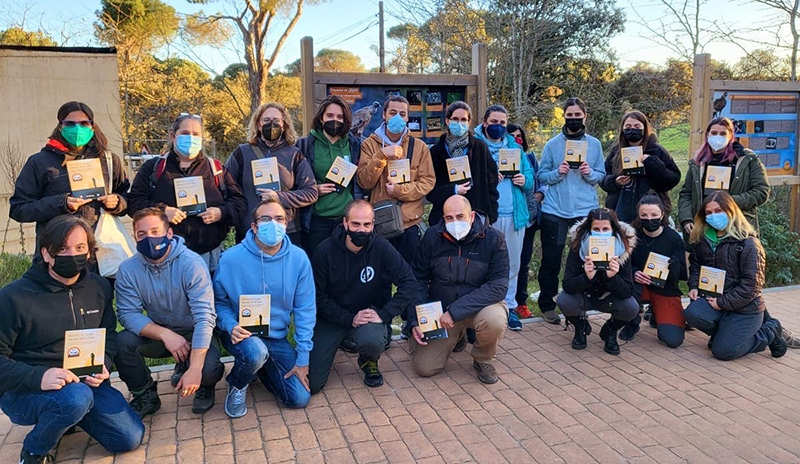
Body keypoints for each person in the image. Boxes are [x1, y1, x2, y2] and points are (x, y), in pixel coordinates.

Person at [0, 216, 144, 464]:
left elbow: (108, 333)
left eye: (79, 248)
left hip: (86, 382)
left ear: (89, 252)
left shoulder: (98, 287)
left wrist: (105, 363)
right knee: (74, 399)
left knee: (129, 438)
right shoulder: (13, 298)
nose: (72, 255)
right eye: (63, 249)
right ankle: (34, 450)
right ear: (46, 254)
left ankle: (68, 415)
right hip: (26, 390)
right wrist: (39, 377)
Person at [115, 207, 223, 417]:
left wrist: (195, 369)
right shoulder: (128, 269)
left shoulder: (191, 263)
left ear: (170, 233)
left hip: (194, 331)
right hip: (161, 333)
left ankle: (202, 382)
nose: (150, 238)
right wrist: (165, 334)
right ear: (134, 237)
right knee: (122, 343)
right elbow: (127, 314)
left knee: (207, 370)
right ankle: (145, 394)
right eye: (142, 234)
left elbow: (204, 317)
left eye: (156, 231)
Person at [214, 199, 315, 418]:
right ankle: (237, 383)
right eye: (265, 219)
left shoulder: (299, 259)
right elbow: (218, 303)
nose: (273, 224)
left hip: (276, 336)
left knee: (299, 399)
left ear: (286, 224)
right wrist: (230, 325)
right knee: (255, 352)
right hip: (241, 334)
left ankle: (259, 368)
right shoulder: (230, 259)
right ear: (254, 226)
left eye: (279, 219)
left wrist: (303, 358)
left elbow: (305, 309)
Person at [308, 200, 417, 392]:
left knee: (372, 341)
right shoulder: (324, 251)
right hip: (332, 317)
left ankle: (368, 361)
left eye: (367, 224)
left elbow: (409, 283)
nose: (361, 230)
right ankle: (338, 341)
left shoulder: (382, 248)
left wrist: (384, 314)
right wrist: (349, 319)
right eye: (356, 224)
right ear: (345, 223)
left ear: (373, 224)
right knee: (314, 384)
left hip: (367, 315)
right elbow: (318, 297)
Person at [127, 113, 246, 274]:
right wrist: (161, 212)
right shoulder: (153, 168)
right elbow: (134, 202)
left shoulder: (216, 169)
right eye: (185, 133)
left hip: (209, 256)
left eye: (196, 134)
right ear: (172, 135)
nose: (190, 138)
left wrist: (221, 212)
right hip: (165, 256)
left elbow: (239, 203)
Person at [410, 196, 509, 384]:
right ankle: (458, 336)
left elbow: (498, 286)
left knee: (495, 319)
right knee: (425, 367)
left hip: (477, 308)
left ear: (471, 216)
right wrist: (416, 318)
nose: (455, 222)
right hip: (442, 311)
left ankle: (483, 358)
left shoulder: (494, 239)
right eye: (449, 218)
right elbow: (418, 280)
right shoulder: (432, 237)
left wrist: (455, 312)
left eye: (460, 216)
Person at [10, 101, 130, 254]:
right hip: (56, 253)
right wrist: (62, 203)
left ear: (92, 126)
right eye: (70, 124)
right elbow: (19, 209)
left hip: (99, 254)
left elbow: (127, 198)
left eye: (84, 123)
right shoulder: (39, 162)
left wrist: (117, 202)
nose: (78, 128)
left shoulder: (109, 160)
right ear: (60, 127)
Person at [683, 191, 787, 360]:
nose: (713, 216)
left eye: (718, 211)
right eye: (708, 213)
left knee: (723, 352)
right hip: (715, 299)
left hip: (745, 308)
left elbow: (752, 285)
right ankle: (725, 335)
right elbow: (696, 264)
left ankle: (770, 330)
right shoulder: (702, 239)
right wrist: (694, 285)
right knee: (692, 313)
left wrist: (722, 303)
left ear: (731, 211)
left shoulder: (748, 243)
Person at [537, 97, 605, 324]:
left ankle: (582, 303)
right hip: (555, 210)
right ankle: (547, 304)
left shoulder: (594, 144)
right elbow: (541, 175)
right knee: (551, 260)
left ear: (585, 117)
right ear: (564, 116)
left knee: (584, 259)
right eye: (570, 115)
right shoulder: (552, 145)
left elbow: (601, 176)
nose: (574, 119)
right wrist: (558, 172)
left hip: (585, 211)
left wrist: (589, 173)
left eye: (578, 116)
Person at [473, 105, 534, 332]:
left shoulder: (514, 146)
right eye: (494, 121)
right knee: (485, 263)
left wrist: (523, 180)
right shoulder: (476, 145)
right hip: (489, 216)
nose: (499, 126)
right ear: (485, 122)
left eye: (503, 122)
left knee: (513, 264)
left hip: (515, 215)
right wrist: (490, 178)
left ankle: (509, 308)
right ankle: (486, 308)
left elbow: (530, 177)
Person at [356, 95, 435, 265]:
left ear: (407, 117)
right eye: (393, 112)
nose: (397, 117)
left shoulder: (419, 147)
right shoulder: (369, 144)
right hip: (381, 222)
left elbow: (427, 181)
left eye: (402, 113)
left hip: (409, 223)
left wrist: (401, 191)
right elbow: (364, 182)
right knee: (380, 278)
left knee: (410, 277)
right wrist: (381, 156)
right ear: (384, 115)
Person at [226, 102, 318, 245]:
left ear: (284, 125)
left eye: (276, 121)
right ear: (258, 124)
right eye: (266, 120)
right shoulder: (242, 153)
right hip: (250, 231)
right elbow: (227, 186)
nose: (272, 125)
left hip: (286, 231)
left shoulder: (294, 154)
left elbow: (311, 192)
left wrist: (280, 197)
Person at [557, 208, 638, 355]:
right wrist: (586, 277)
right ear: (589, 229)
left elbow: (628, 291)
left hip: (609, 297)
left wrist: (612, 277)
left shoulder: (623, 247)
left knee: (631, 306)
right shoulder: (579, 245)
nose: (601, 233)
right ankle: (580, 326)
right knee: (564, 300)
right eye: (596, 229)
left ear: (613, 228)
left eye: (605, 228)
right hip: (584, 296)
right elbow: (567, 285)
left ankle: (610, 331)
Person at [296, 95, 364, 257]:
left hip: (346, 220)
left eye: (340, 117)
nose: (335, 120)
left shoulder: (355, 145)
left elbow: (361, 181)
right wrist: (313, 190)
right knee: (318, 268)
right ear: (321, 118)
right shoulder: (304, 145)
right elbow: (293, 182)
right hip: (316, 220)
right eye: (330, 116)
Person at [679, 116, 769, 236]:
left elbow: (761, 191)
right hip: (704, 223)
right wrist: (686, 218)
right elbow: (686, 193)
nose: (718, 137)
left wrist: (727, 203)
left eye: (723, 133)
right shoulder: (698, 163)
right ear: (707, 135)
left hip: (737, 224)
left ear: (731, 135)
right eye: (714, 133)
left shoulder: (748, 160)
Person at [622, 195, 687, 347]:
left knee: (673, 340)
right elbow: (622, 264)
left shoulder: (673, 238)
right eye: (644, 215)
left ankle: (657, 314)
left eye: (654, 215)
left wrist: (675, 265)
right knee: (625, 288)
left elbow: (683, 274)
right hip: (639, 286)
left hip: (665, 288)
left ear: (662, 215)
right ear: (638, 215)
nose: (649, 219)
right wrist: (634, 273)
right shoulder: (631, 235)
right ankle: (631, 322)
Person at [427, 100, 499, 227]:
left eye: (463, 119)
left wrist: (491, 213)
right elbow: (430, 190)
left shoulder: (480, 148)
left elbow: (491, 183)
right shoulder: (436, 152)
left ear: (469, 122)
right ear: (448, 121)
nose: (459, 123)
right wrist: (453, 190)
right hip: (445, 219)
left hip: (476, 217)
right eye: (455, 119)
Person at [600, 111, 681, 223]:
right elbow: (602, 178)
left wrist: (652, 163)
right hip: (620, 212)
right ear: (622, 129)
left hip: (650, 214)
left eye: (637, 126)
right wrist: (615, 181)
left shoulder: (657, 150)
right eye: (628, 126)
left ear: (644, 128)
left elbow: (673, 178)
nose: (632, 129)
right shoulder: (616, 152)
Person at [506, 123, 549, 322]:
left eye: (520, 136)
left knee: (522, 262)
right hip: (507, 216)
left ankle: (520, 302)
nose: (517, 139)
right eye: (513, 136)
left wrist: (538, 194)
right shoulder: (497, 156)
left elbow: (538, 182)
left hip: (528, 219)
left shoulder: (530, 158)